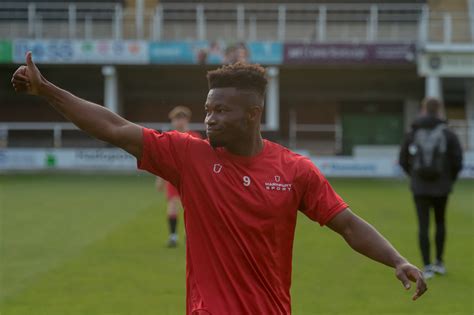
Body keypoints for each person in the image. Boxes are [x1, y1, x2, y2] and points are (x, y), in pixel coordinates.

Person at [12, 52, 427, 315]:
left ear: (252, 115)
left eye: (220, 111)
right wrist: (46, 90)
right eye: (207, 110)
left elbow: (348, 224)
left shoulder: (295, 170)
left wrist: (396, 259)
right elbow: (115, 128)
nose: (208, 118)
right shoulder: (188, 155)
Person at [399, 97, 463, 279]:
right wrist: (449, 179)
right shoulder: (447, 133)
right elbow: (458, 160)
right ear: (439, 109)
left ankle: (426, 266)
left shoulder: (413, 132)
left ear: (423, 109)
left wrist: (414, 176)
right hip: (442, 186)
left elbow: (403, 159)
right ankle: (439, 262)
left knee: (423, 225)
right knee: (441, 222)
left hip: (420, 187)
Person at [156, 106, 202, 247]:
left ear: (187, 120)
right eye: (176, 119)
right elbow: (164, 161)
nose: (179, 122)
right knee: (173, 206)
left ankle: (190, 235)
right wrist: (160, 178)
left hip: (191, 180)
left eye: (181, 118)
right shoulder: (168, 137)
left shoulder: (195, 137)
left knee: (192, 209)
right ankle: (173, 237)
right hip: (174, 178)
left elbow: (201, 159)